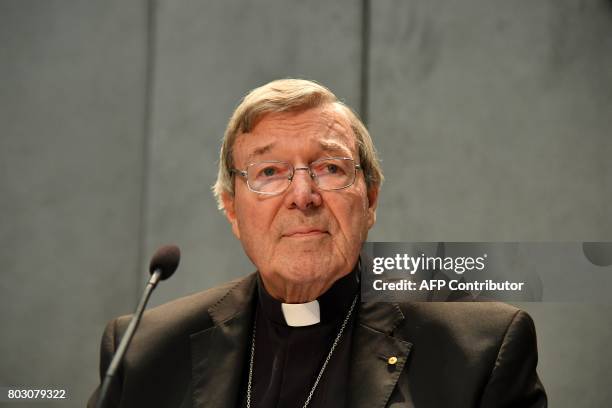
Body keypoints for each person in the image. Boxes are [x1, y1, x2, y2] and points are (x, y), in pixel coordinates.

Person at [89, 79, 547, 407]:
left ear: (369, 199)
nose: (302, 197)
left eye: (329, 168)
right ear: (232, 209)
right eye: (269, 173)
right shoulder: (143, 354)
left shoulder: (478, 350)